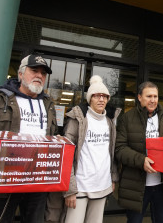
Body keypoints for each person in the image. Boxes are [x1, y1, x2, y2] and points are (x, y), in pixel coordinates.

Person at [0, 54, 57, 223]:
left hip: (37, 183)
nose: (39, 76)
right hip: (2, 181)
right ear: (20, 74)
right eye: (34, 70)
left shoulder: (48, 105)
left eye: (43, 73)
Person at [115, 81, 163, 223]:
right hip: (136, 187)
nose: (153, 100)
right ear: (139, 97)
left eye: (155, 96)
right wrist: (141, 160)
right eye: (149, 96)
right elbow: (119, 149)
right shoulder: (127, 118)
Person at [60, 75, 120, 223]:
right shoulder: (78, 120)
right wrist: (69, 189)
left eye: (105, 96)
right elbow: (66, 155)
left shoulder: (109, 121)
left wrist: (112, 177)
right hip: (80, 186)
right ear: (90, 99)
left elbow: (110, 152)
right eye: (97, 96)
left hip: (102, 184)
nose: (101, 99)